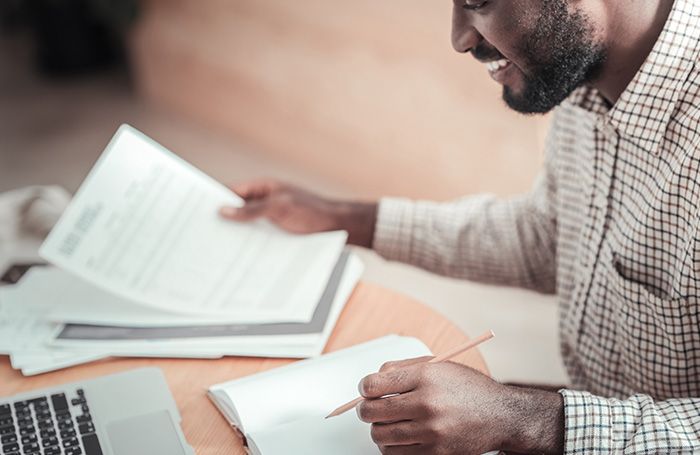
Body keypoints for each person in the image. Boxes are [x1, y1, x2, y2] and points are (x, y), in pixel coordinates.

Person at [219, 0, 700, 453]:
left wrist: (525, 420)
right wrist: (346, 219)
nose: (459, 38)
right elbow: (549, 236)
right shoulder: (584, 81)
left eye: (478, 1)